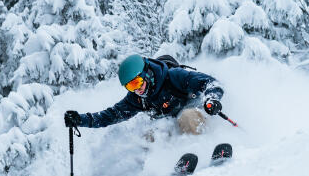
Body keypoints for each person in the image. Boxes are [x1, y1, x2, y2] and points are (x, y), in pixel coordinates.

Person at [64, 54, 224, 135]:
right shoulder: (137, 99)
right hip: (172, 127)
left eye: (137, 82)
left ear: (147, 74)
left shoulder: (174, 76)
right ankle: (169, 165)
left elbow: (211, 83)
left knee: (187, 117)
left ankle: (200, 150)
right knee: (150, 135)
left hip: (198, 119)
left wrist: (212, 100)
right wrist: (80, 120)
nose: (137, 90)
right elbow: (110, 115)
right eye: (130, 86)